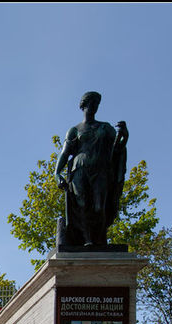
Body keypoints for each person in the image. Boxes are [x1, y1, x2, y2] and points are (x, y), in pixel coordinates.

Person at [55, 91, 129, 247]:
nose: (94, 107)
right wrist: (57, 174)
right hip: (79, 170)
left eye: (97, 104)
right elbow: (65, 153)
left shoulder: (105, 128)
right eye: (91, 103)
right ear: (84, 105)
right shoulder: (75, 130)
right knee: (82, 205)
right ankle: (87, 239)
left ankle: (100, 238)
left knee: (99, 206)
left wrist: (124, 136)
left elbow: (116, 150)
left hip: (101, 171)